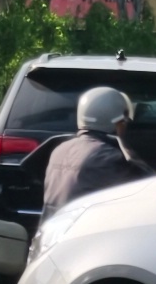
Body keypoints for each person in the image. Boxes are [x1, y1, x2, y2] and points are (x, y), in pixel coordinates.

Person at [40, 84, 148, 215]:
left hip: (51, 230)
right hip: (85, 232)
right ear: (115, 122)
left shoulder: (59, 150)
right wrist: (126, 147)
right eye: (123, 121)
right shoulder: (109, 157)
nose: (125, 126)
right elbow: (148, 187)